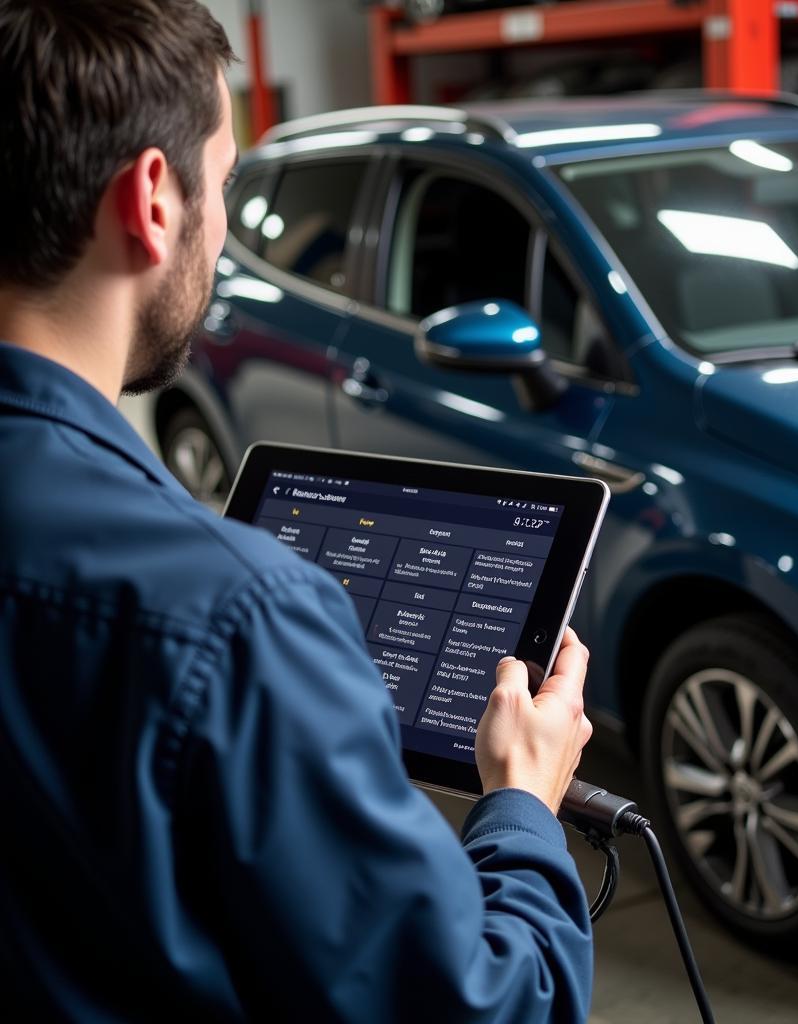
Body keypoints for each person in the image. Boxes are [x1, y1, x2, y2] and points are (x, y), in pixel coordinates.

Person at [0, 2, 595, 1020]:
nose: (227, 226)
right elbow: (489, 1007)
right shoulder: (237, 616)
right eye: (225, 183)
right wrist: (520, 804)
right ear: (152, 199)